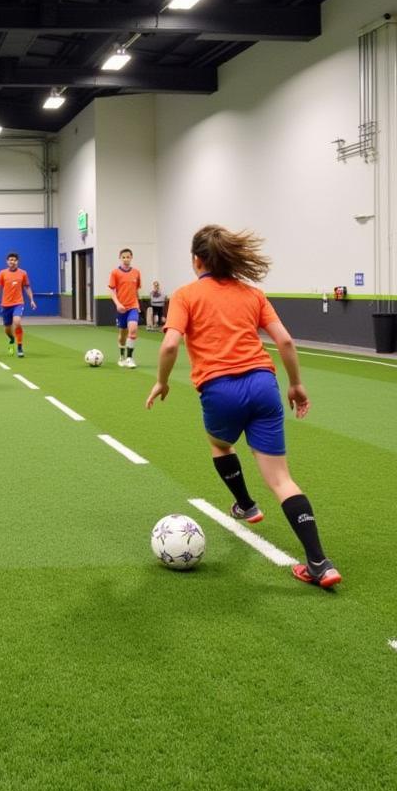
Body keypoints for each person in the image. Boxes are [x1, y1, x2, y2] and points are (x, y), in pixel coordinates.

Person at [144, 225, 341, 589]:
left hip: (220, 389)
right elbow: (284, 340)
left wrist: (162, 381)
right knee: (282, 480)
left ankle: (246, 505)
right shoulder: (252, 294)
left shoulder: (185, 295)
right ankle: (320, 563)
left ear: (196, 261)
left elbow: (170, 345)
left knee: (220, 444)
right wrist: (296, 384)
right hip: (264, 385)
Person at [0, 252, 35, 357]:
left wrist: (32, 300)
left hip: (18, 303)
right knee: (7, 329)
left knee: (17, 322)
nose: (12, 262)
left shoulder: (23, 273)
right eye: (10, 260)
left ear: (17, 261)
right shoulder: (2, 273)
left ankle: (19, 347)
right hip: (5, 305)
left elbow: (27, 287)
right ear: (7, 262)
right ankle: (11, 339)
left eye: (14, 260)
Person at [108, 248, 141, 367]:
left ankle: (130, 358)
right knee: (122, 334)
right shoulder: (115, 273)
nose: (126, 259)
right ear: (120, 258)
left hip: (133, 306)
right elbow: (112, 290)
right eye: (124, 257)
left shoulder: (136, 272)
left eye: (128, 257)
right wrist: (118, 304)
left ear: (131, 257)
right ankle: (121, 356)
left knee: (132, 331)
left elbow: (136, 289)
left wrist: (138, 305)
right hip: (121, 308)